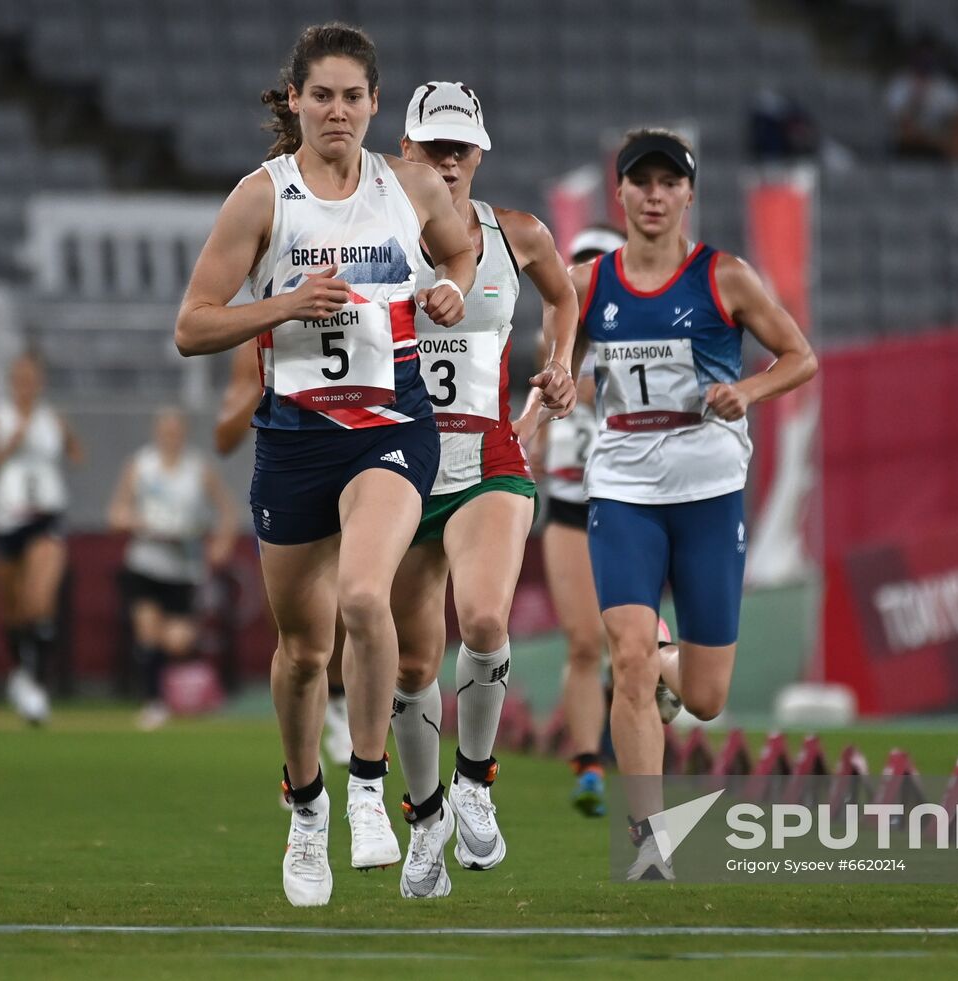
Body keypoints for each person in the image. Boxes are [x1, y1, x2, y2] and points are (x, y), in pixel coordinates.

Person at [173, 23, 477, 908]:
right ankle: (306, 810)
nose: (338, 110)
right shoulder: (262, 199)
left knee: (362, 597)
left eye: (353, 96)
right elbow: (193, 325)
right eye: (322, 95)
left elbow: (455, 248)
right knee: (304, 653)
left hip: (390, 427)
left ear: (376, 105)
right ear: (297, 101)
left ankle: (370, 790)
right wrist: (284, 306)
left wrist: (450, 282)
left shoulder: (410, 182)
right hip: (295, 440)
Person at [571, 129, 817, 880]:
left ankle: (672, 657)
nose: (653, 195)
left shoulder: (725, 278)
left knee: (707, 698)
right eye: (639, 183)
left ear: (687, 193)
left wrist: (745, 389)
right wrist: (555, 383)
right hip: (623, 490)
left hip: (709, 495)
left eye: (666, 183)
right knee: (628, 656)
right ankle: (649, 837)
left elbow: (801, 357)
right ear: (620, 194)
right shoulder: (586, 283)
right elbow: (555, 346)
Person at [385, 81, 577, 900]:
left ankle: (475, 782)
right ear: (407, 151)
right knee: (413, 660)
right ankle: (425, 819)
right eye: (433, 146)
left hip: (487, 454)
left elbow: (565, 295)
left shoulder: (517, 233)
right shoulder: (371, 236)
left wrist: (559, 365)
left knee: (488, 617)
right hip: (393, 463)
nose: (449, 161)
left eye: (461, 147)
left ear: (481, 153)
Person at [216, 342, 352, 767]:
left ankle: (346, 716)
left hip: (359, 468)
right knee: (300, 638)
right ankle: (302, 770)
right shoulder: (258, 334)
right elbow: (223, 436)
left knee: (355, 605)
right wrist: (271, 388)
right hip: (292, 478)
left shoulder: (373, 288)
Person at [533, 225, 625, 818]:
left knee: (632, 641)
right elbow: (540, 413)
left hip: (629, 503)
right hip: (568, 507)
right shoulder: (556, 338)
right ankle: (589, 763)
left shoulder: (640, 330)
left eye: (599, 264)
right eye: (579, 265)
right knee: (585, 641)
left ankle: (647, 705)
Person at [0, 349, 83, 725]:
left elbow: (77, 455)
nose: (26, 385)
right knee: (13, 609)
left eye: (32, 377)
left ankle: (36, 685)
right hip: (5, 520)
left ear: (40, 381)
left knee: (39, 600)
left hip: (45, 518)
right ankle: (21, 671)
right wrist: (6, 449)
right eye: (20, 377)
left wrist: (67, 442)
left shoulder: (52, 419)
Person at [108, 408, 239, 730]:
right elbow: (116, 513)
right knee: (147, 629)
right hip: (146, 562)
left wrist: (221, 544)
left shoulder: (197, 469)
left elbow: (228, 511)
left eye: (176, 430)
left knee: (178, 639)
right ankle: (154, 702)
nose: (171, 436)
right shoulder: (141, 466)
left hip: (183, 567)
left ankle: (177, 691)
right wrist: (138, 522)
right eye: (165, 430)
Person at [885, 36, 958, 162]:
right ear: (913, 55)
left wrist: (951, 145)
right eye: (921, 55)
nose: (925, 59)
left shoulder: (947, 88)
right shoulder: (899, 85)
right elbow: (905, 132)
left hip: (941, 153)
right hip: (905, 152)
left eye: (928, 54)